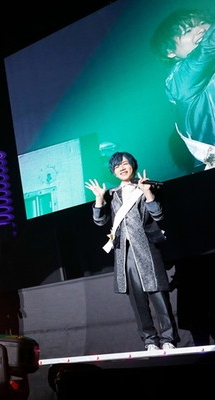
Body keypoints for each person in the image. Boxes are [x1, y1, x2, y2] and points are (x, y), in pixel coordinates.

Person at [85, 151, 179, 351]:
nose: (122, 167)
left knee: (159, 296)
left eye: (125, 163)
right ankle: (150, 341)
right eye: (117, 166)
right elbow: (100, 221)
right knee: (138, 301)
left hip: (148, 249)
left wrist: (147, 193)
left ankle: (168, 339)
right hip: (125, 254)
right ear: (113, 171)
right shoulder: (111, 194)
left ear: (133, 166)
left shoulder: (148, 186)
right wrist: (99, 199)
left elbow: (158, 215)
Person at [150, 8, 215, 170]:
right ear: (170, 52)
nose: (201, 29)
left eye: (202, 23)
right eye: (188, 30)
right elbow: (207, 49)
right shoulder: (177, 80)